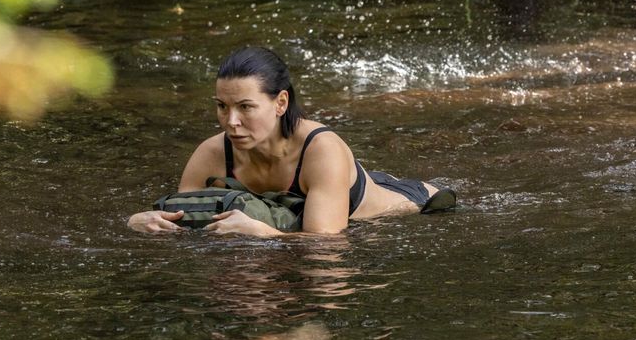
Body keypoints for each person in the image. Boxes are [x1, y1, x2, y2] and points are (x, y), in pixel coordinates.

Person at [127, 47, 454, 236]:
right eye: (222, 106)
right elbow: (186, 225)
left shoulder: (321, 149)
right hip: (325, 194)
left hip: (413, 204)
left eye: (245, 107)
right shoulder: (211, 154)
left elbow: (326, 247)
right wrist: (139, 223)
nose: (231, 121)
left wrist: (262, 233)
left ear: (281, 103)